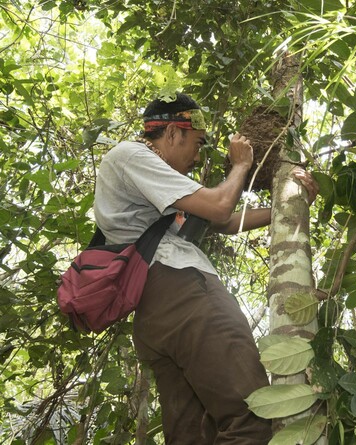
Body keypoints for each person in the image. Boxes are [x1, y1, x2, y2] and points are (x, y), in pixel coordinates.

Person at [93, 93, 319, 444]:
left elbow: (225, 221)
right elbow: (218, 206)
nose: (197, 156)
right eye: (196, 143)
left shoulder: (156, 186)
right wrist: (241, 165)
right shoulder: (132, 156)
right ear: (171, 133)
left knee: (194, 435)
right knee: (254, 415)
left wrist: (294, 202)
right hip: (182, 293)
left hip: (155, 314)